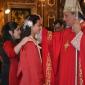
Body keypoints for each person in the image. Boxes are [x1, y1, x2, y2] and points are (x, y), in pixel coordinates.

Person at [59, 0, 85, 85]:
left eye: (66, 16)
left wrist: (79, 34)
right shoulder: (67, 31)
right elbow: (54, 41)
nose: (64, 19)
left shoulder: (83, 29)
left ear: (75, 15)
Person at [17, 14, 43, 85]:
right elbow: (33, 70)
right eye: (38, 25)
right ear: (32, 26)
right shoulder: (30, 44)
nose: (40, 28)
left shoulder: (32, 41)